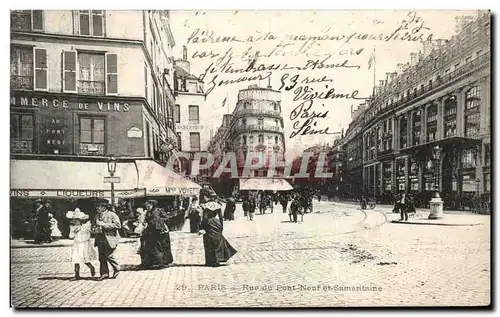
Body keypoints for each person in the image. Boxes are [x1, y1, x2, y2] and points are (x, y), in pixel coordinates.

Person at [199, 202, 237, 267]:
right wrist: (221, 227)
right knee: (217, 242)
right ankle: (218, 259)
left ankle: (210, 261)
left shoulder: (206, 206)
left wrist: (202, 227)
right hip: (217, 223)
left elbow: (204, 218)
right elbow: (220, 217)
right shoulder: (218, 206)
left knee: (208, 244)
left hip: (209, 224)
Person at [140, 200, 174, 269]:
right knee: (152, 247)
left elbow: (166, 218)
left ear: (152, 205)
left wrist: (158, 220)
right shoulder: (148, 212)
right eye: (146, 207)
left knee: (161, 246)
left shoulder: (159, 210)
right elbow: (147, 220)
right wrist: (145, 222)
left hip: (160, 231)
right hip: (151, 231)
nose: (148, 208)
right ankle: (153, 262)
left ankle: (162, 262)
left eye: (149, 206)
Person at [93, 200, 121, 280]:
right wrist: (95, 229)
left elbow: (118, 225)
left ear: (104, 207)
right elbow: (92, 226)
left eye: (99, 206)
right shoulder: (97, 216)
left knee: (109, 255)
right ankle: (104, 274)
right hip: (100, 238)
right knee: (101, 257)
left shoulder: (112, 215)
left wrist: (104, 225)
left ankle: (116, 268)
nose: (97, 208)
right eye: (97, 206)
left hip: (110, 239)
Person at [67, 208, 97, 280]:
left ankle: (91, 267)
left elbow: (93, 232)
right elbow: (70, 236)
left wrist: (92, 230)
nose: (74, 221)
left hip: (85, 244)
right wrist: (74, 232)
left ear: (80, 220)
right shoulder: (72, 227)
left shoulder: (86, 226)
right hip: (77, 244)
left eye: (76, 220)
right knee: (75, 259)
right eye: (73, 220)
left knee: (85, 258)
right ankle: (77, 275)